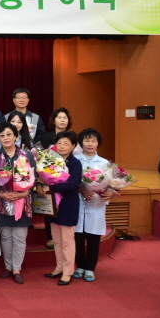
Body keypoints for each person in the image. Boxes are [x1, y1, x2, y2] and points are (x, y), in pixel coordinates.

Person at [0, 122, 36, 284]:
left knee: (19, 237)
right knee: (5, 236)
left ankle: (17, 269)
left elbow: (34, 178)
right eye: (2, 135)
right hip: (2, 202)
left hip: (22, 202)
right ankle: (8, 267)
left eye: (9, 134)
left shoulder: (26, 155)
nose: (6, 138)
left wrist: (25, 192)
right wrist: (0, 193)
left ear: (16, 136)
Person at [38, 131, 82, 286]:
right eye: (59, 143)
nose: (62, 146)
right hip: (53, 204)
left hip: (68, 204)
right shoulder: (50, 160)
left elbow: (73, 184)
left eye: (66, 143)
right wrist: (41, 183)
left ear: (73, 146)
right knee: (56, 240)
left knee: (67, 241)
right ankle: (59, 267)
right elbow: (42, 176)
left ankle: (68, 271)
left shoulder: (74, 163)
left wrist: (51, 187)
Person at [74, 128, 118, 282]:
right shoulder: (75, 160)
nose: (90, 144)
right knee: (78, 238)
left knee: (93, 239)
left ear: (98, 143)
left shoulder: (105, 163)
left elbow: (112, 184)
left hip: (96, 204)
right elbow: (69, 180)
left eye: (93, 141)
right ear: (81, 143)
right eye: (87, 140)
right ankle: (80, 266)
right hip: (78, 203)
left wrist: (111, 192)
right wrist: (81, 189)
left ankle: (90, 269)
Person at [40, 107, 73, 249]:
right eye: (59, 117)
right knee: (49, 206)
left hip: (66, 175)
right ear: (54, 120)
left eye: (65, 118)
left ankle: (65, 235)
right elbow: (41, 156)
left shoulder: (72, 136)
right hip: (49, 175)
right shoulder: (46, 137)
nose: (62, 120)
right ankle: (50, 237)